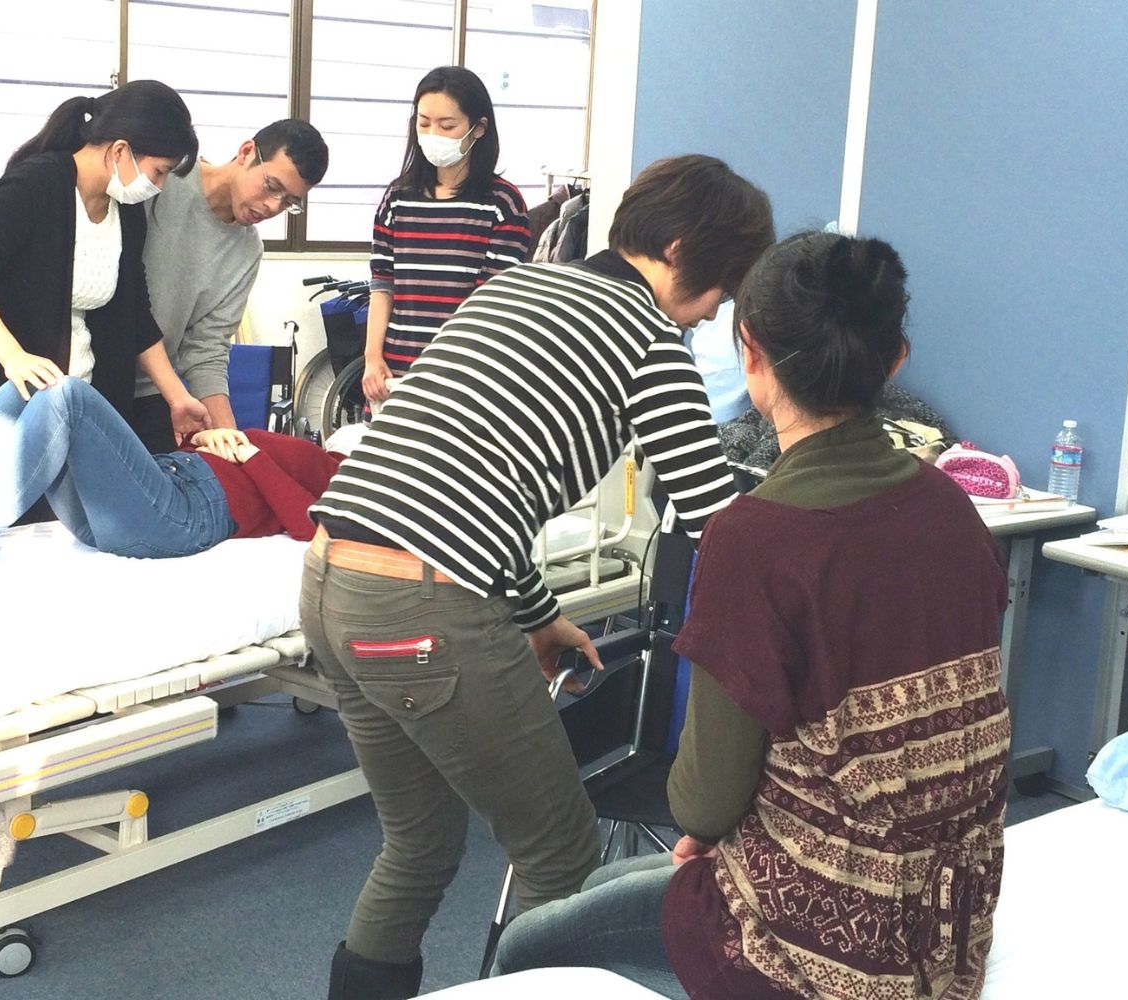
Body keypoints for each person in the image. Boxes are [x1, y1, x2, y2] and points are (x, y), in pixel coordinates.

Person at [301, 154, 774, 999]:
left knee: (418, 844)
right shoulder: (648, 339)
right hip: (420, 605)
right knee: (561, 855)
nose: (713, 312)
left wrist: (537, 614)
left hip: (330, 578)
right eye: (720, 289)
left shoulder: (512, 288)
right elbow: (719, 521)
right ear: (678, 250)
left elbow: (469, 485)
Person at [492, 232, 1012, 1000]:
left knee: (530, 943)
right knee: (609, 883)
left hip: (825, 938)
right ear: (895, 360)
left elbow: (701, 802)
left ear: (751, 353)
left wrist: (708, 837)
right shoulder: (952, 509)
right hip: (947, 917)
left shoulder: (754, 536)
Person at [0, 79, 209, 444]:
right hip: (7, 400)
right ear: (121, 150)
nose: (159, 186)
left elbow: (135, 312)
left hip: (78, 402)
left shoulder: (126, 211)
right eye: (160, 171)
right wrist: (14, 357)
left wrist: (178, 398)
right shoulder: (37, 183)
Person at [0, 377, 341, 573]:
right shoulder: (328, 451)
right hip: (166, 486)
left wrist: (251, 455)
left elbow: (310, 527)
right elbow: (225, 467)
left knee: (68, 396)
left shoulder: (347, 475)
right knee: (25, 388)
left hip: (182, 517)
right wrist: (207, 440)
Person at [131, 120, 331, 453]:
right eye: (271, 186)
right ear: (246, 152)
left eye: (288, 202)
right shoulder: (165, 177)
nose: (272, 206)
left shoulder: (247, 251)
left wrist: (233, 442)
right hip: (93, 372)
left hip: (154, 394)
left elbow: (206, 349)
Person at [360, 65, 532, 403]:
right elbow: (382, 284)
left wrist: (450, 371)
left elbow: (490, 302)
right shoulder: (397, 198)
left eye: (447, 126)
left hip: (466, 378)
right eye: (423, 123)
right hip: (394, 375)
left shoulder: (503, 204)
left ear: (478, 128)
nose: (432, 134)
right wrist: (372, 358)